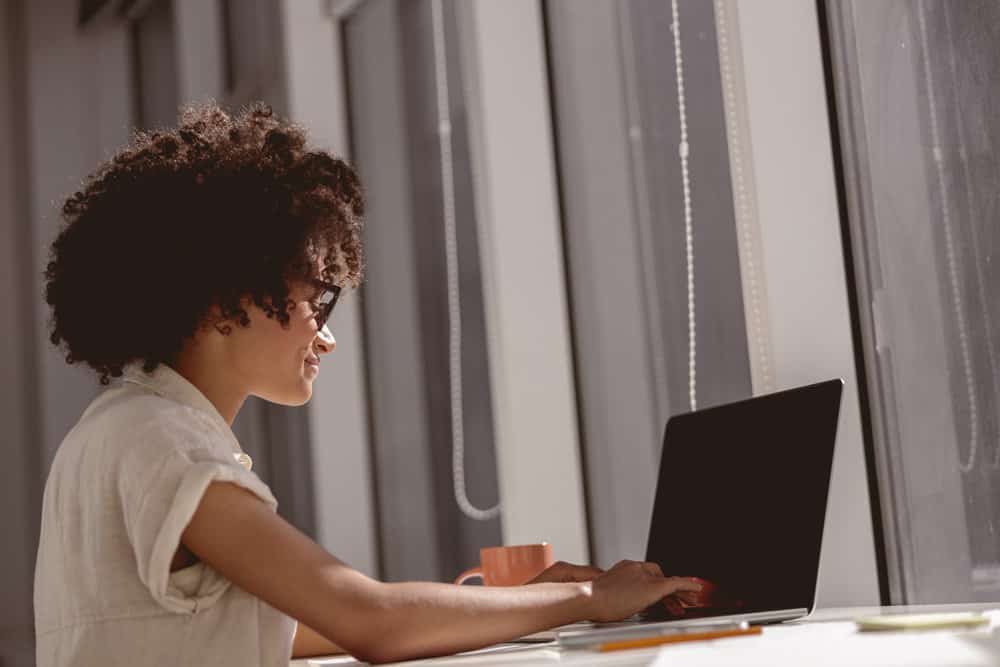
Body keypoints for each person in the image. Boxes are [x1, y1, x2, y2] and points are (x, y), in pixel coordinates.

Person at [34, 103, 702, 666]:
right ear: (222, 302)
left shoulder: (112, 431)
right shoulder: (168, 444)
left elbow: (282, 629)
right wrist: (590, 599)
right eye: (316, 305)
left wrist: (514, 600)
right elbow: (368, 619)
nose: (326, 337)